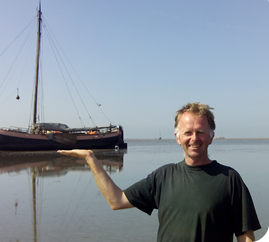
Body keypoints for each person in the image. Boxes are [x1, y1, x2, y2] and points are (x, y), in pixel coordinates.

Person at [58, 102, 261, 242]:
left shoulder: (229, 179)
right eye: (188, 132)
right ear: (177, 137)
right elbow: (116, 200)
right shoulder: (163, 177)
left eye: (200, 132)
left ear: (211, 136)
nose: (194, 138)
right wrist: (91, 159)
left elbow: (245, 234)